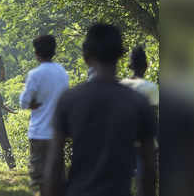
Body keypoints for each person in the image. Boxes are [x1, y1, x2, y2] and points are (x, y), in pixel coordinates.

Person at [42, 24, 156, 196]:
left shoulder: (70, 100)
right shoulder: (137, 102)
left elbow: (54, 163)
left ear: (86, 56)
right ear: (120, 55)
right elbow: (148, 168)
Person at [19, 35, 69, 194]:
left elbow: (24, 102)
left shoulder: (35, 74)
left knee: (41, 177)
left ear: (36, 53)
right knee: (57, 175)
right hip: (58, 132)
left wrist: (34, 104)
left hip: (39, 132)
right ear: (54, 51)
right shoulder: (62, 72)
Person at [120, 46, 159, 182]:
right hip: (145, 142)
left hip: (125, 139)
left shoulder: (122, 85)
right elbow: (152, 118)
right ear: (146, 66)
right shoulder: (151, 88)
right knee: (145, 180)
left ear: (130, 65)